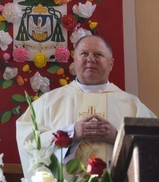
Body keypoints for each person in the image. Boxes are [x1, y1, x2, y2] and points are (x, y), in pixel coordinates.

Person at [16, 34, 155, 179]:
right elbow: (27, 142)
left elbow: (152, 148)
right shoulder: (48, 102)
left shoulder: (132, 105)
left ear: (111, 63)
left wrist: (119, 138)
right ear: (75, 61)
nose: (90, 59)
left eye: (98, 54)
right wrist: (69, 133)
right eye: (84, 54)